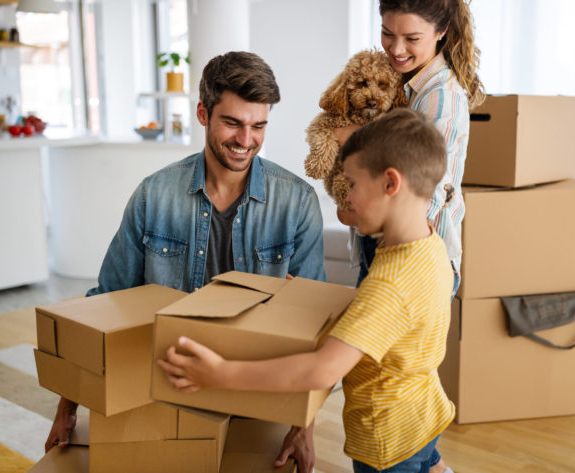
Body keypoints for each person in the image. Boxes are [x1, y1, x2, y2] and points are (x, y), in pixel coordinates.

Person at [44, 51, 326, 473]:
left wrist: (305, 424)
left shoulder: (297, 203)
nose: (246, 139)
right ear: (202, 113)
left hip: (257, 393)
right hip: (163, 389)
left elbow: (316, 327)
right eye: (232, 122)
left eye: (259, 126)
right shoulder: (153, 196)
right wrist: (68, 404)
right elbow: (105, 302)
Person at [158, 108, 455, 473]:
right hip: (424, 417)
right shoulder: (426, 244)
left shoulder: (390, 284)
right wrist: (311, 297)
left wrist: (220, 374)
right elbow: (395, 320)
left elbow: (320, 371)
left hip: (388, 443)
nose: (345, 199)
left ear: (390, 183)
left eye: (352, 184)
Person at [336, 0, 485, 302]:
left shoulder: (439, 98)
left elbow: (426, 199)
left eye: (412, 39)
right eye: (387, 33)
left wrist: (359, 214)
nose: (396, 49)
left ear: (441, 30)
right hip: (381, 246)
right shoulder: (398, 81)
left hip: (412, 259)